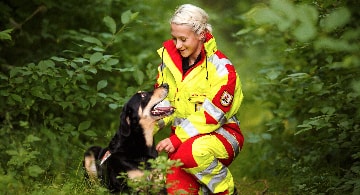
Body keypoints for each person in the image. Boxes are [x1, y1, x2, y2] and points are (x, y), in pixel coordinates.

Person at [154, 4, 244, 195]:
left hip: (223, 136)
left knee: (192, 153)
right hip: (182, 144)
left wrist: (178, 138)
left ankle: (226, 190)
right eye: (174, 38)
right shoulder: (167, 65)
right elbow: (164, 106)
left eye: (183, 39)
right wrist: (144, 128)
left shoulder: (221, 69)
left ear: (201, 35)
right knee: (176, 190)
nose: (178, 45)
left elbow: (214, 114)